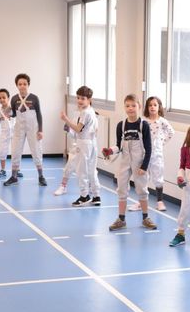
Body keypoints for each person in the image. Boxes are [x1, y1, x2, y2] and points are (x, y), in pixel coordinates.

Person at [105, 94, 156, 231]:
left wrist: (144, 166)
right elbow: (118, 146)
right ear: (124, 107)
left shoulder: (143, 125)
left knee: (141, 189)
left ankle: (146, 217)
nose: (130, 108)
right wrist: (110, 150)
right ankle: (121, 219)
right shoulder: (121, 125)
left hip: (139, 162)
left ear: (139, 106)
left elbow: (148, 148)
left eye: (133, 105)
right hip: (125, 161)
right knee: (121, 188)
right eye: (127, 106)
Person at [4, 74, 47, 186]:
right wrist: (8, 115)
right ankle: (14, 176)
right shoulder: (14, 98)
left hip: (33, 128)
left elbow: (39, 114)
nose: (22, 86)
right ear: (17, 85)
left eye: (25, 84)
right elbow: (13, 114)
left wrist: (41, 130)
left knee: (36, 151)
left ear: (28, 85)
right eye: (20, 84)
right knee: (15, 151)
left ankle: (41, 176)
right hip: (19, 128)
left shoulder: (34, 98)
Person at [60, 86, 100, 206]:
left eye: (83, 98)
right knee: (92, 170)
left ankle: (84, 195)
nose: (80, 100)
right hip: (92, 143)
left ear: (89, 99)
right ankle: (96, 195)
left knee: (81, 170)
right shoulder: (92, 111)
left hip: (84, 143)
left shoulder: (85, 112)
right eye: (78, 98)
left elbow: (78, 129)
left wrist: (66, 119)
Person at [144, 96, 174, 210]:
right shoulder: (144, 121)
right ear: (147, 107)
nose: (152, 107)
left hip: (157, 154)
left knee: (158, 177)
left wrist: (161, 142)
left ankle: (160, 201)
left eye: (155, 105)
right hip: (145, 154)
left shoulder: (162, 121)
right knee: (143, 177)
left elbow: (171, 132)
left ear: (159, 107)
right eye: (150, 105)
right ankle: (141, 201)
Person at [53, 111, 81, 197]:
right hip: (77, 146)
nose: (80, 102)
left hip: (88, 147)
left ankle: (92, 188)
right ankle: (63, 186)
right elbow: (74, 135)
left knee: (90, 169)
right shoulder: (77, 115)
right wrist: (69, 130)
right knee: (69, 166)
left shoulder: (92, 115)